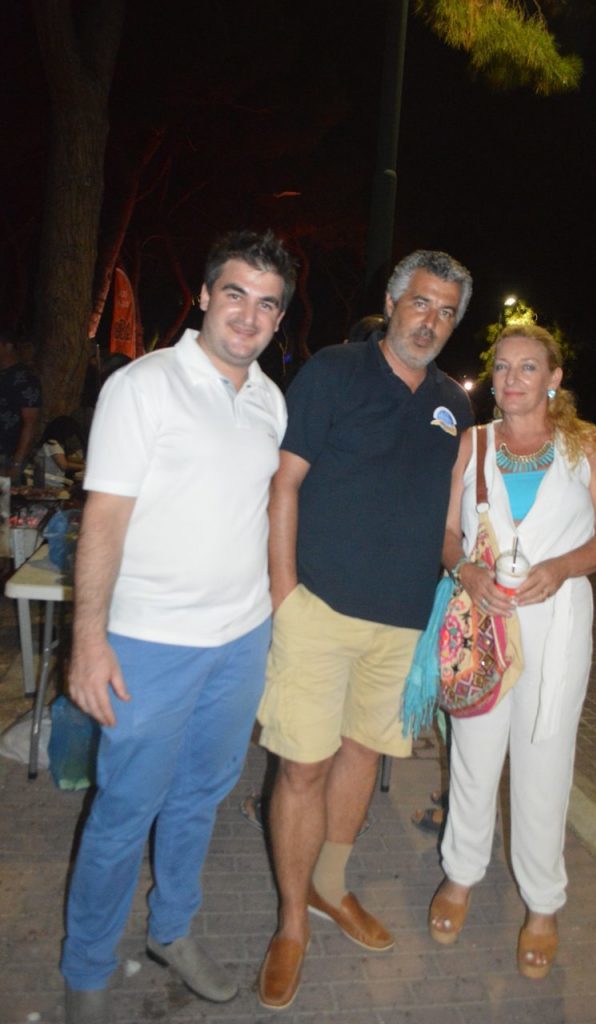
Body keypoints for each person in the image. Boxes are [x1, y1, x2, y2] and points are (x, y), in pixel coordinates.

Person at [60, 229, 296, 1024]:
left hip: (240, 641)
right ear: (203, 296)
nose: (248, 315)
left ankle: (171, 931)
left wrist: (273, 620)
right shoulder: (144, 386)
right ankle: (88, 971)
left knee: (199, 797)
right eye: (234, 293)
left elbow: (261, 512)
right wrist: (88, 640)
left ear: (278, 318)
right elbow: (104, 519)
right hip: (149, 642)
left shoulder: (269, 401)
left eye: (266, 303)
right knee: (124, 810)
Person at [256, 248, 475, 1009]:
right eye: (420, 303)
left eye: (446, 312)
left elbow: (447, 521)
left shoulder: (453, 406)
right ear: (391, 302)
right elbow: (284, 483)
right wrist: (284, 595)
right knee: (302, 768)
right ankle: (291, 923)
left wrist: (475, 574)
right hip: (317, 609)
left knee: (360, 756)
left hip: (400, 624)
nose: (431, 321)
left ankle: (330, 884)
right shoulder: (334, 371)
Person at [428, 323, 596, 979]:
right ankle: (460, 874)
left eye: (528, 367)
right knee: (473, 754)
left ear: (553, 378)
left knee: (545, 760)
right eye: (502, 367)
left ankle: (542, 904)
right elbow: (445, 533)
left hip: (556, 622)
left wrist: (564, 566)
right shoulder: (473, 443)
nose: (512, 379)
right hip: (482, 620)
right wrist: (465, 571)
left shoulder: (585, 448)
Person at [0, 328, 42, 480]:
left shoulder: (25, 378)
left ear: (8, 346)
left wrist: (17, 463)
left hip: (7, 454)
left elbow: (30, 423)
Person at [35, 415, 85, 488]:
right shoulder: (53, 445)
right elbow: (63, 465)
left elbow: (63, 457)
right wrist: (84, 467)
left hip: (48, 480)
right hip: (52, 483)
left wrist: (81, 461)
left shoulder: (49, 443)